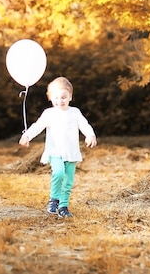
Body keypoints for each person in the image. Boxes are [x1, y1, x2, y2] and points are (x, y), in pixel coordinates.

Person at [19, 76, 97, 218]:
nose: (60, 101)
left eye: (63, 97)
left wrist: (90, 135)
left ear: (70, 97)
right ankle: (54, 199)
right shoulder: (49, 113)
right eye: (56, 97)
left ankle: (63, 206)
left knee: (68, 181)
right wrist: (27, 136)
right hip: (55, 151)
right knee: (59, 173)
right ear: (50, 98)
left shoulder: (75, 112)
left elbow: (84, 125)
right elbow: (38, 126)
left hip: (71, 153)